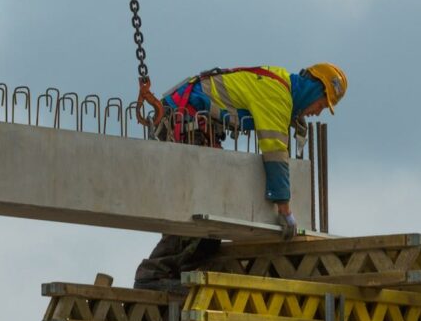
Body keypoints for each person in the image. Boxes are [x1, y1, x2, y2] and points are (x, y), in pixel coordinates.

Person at [133, 63, 347, 290]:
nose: (317, 112)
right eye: (321, 104)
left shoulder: (280, 89)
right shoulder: (277, 95)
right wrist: (284, 208)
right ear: (314, 90)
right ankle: (152, 275)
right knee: (196, 208)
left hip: (194, 123)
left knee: (211, 222)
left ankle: (180, 275)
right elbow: (274, 153)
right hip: (183, 119)